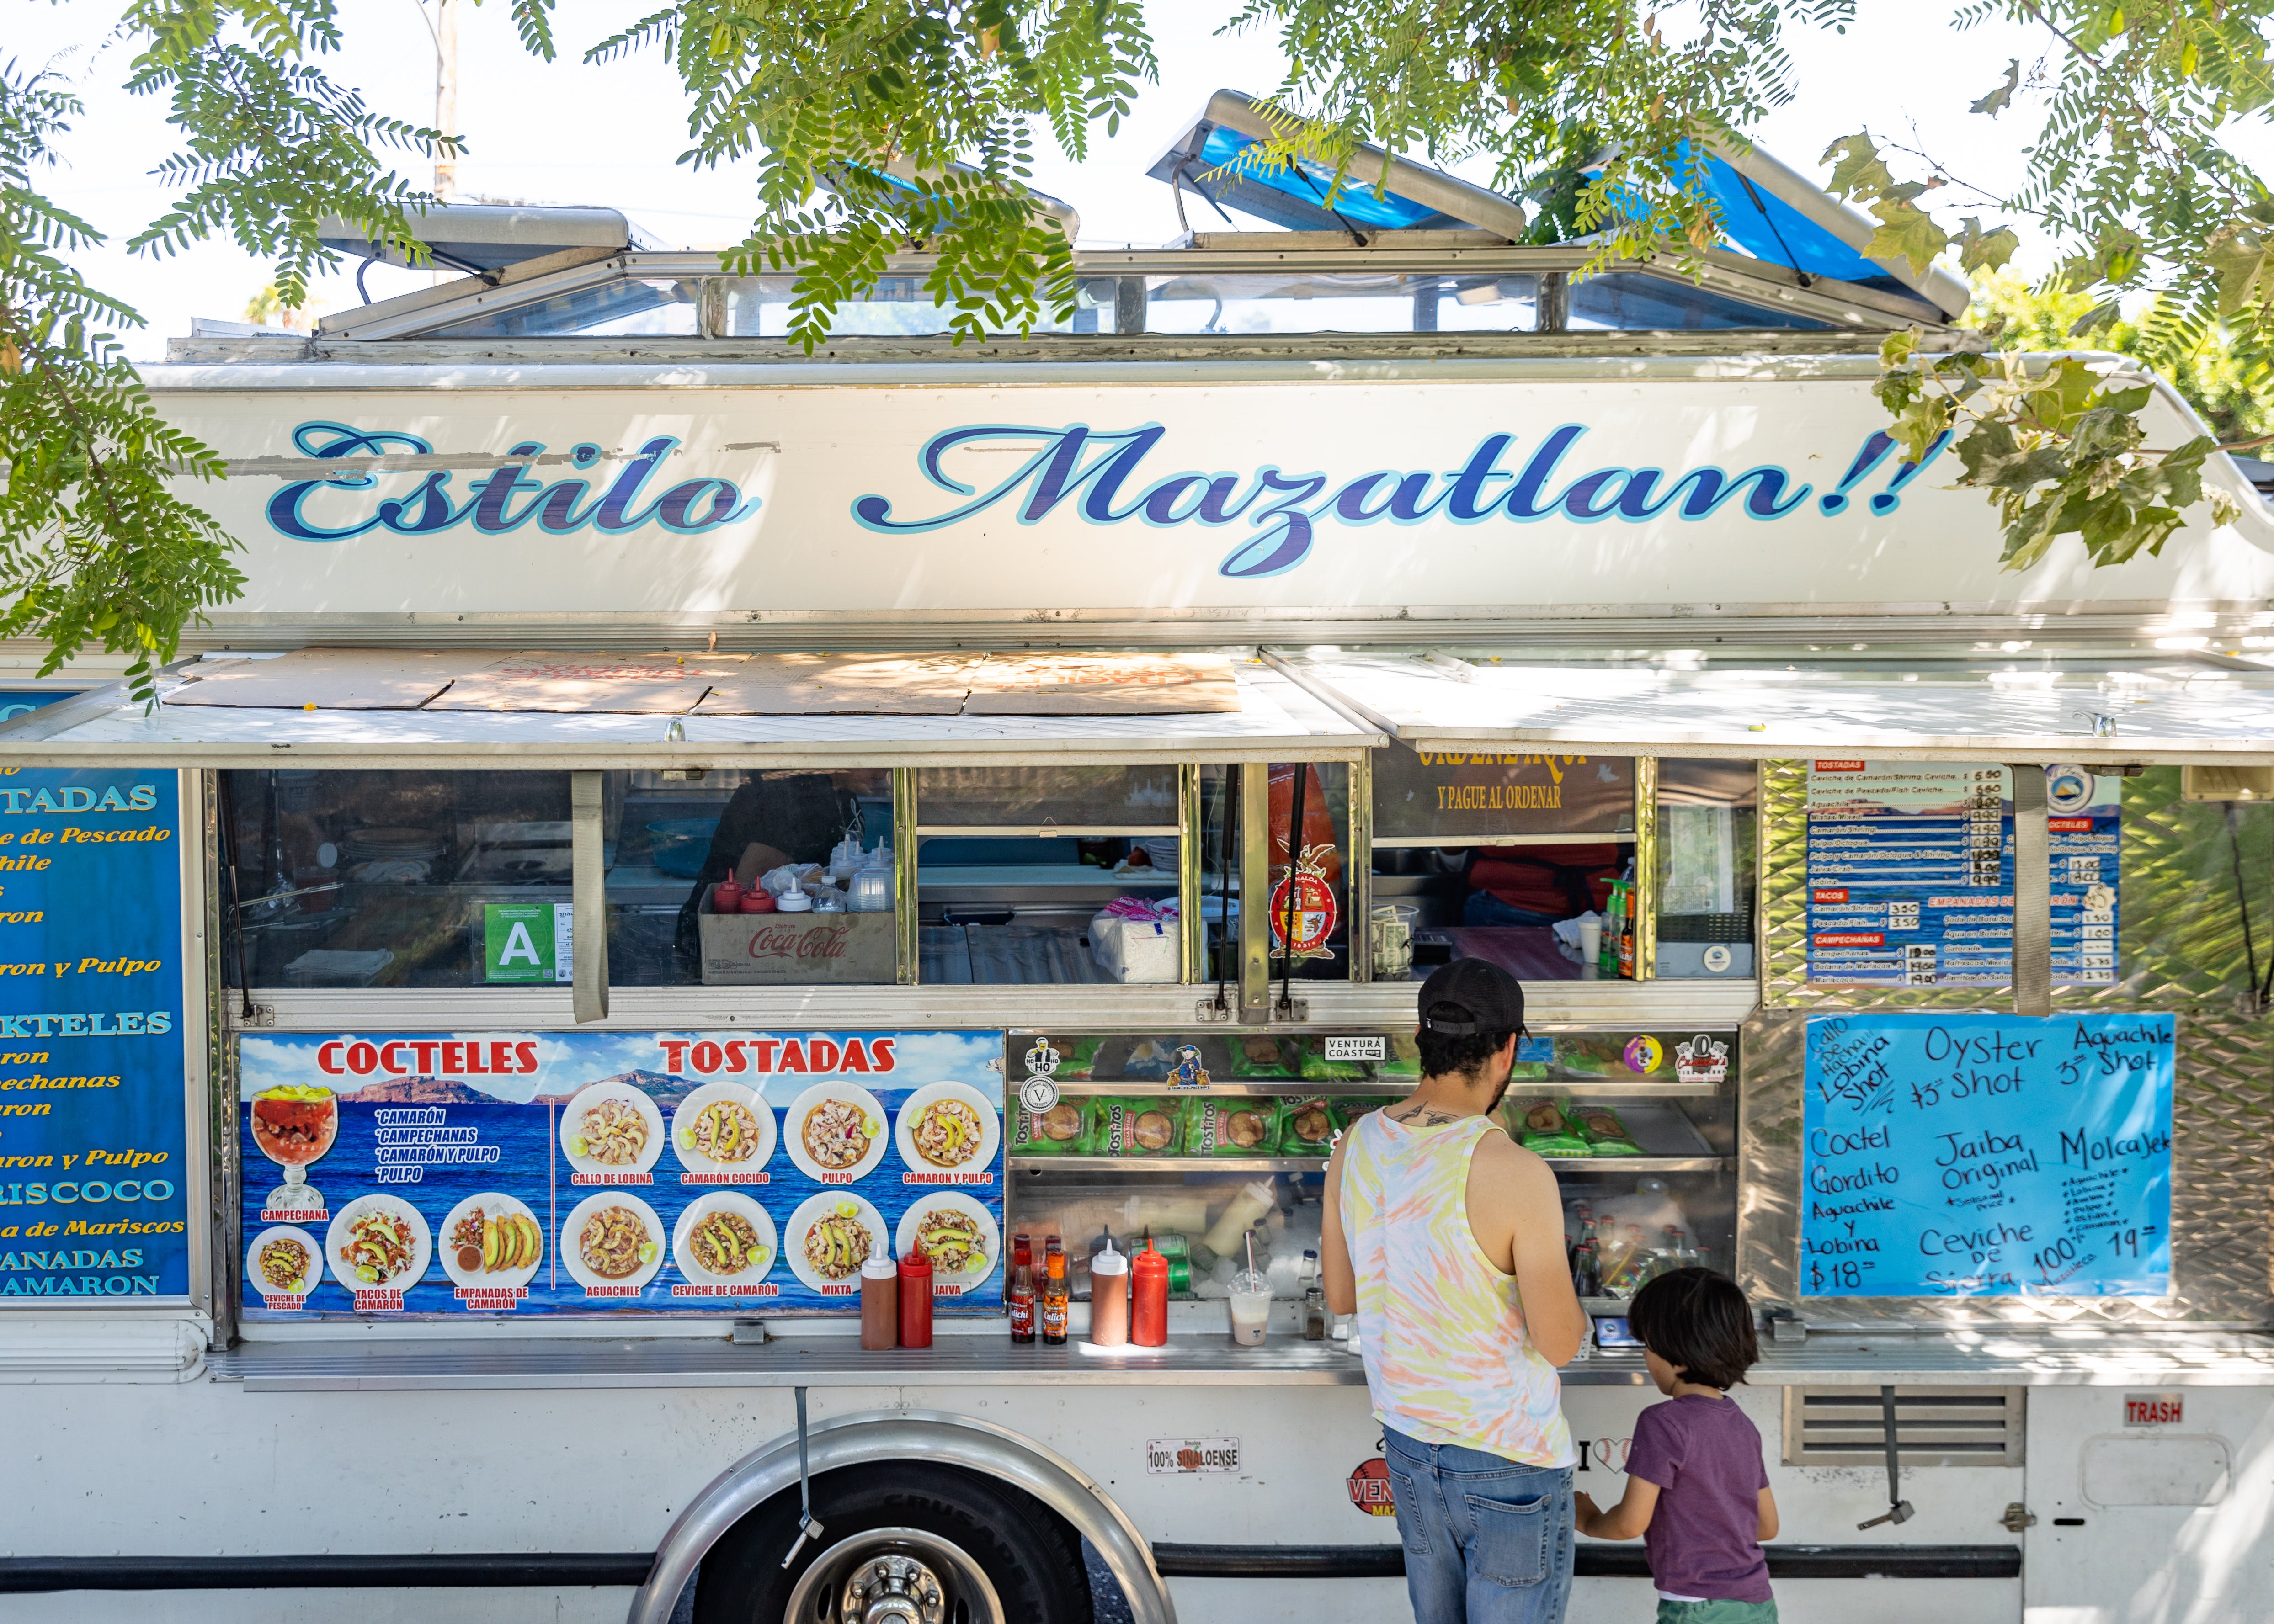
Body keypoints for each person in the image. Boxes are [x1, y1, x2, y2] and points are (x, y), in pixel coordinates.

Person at [1321, 958, 1588, 1624]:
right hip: (1509, 1463)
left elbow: (1342, 1295)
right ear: (1507, 1049)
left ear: (1421, 1035)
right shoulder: (1516, 1170)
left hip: (1408, 1450)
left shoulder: (1354, 1143)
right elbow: (1558, 1343)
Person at [1573, 1268, 1779, 1624]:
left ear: (1679, 1355)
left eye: (1647, 1346)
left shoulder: (1662, 1422)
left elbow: (1629, 1524)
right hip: (1757, 1605)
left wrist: (1586, 1519)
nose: (1645, 1357)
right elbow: (1765, 1527)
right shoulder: (1743, 1426)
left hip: (1695, 1607)